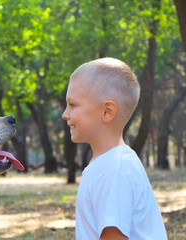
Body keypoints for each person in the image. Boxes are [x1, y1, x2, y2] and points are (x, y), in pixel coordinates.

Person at [62, 57, 167, 240]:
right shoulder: (108, 164)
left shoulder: (114, 169)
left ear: (107, 112)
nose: (65, 114)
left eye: (73, 105)